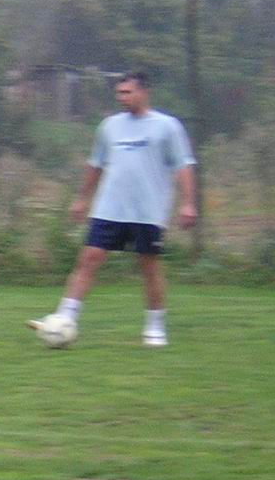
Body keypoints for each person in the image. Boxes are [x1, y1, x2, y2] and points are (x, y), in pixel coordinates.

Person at [32, 71, 196, 346]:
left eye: (127, 92)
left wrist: (189, 203)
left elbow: (183, 165)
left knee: (149, 266)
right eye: (119, 93)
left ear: (144, 92)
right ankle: (65, 318)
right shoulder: (110, 126)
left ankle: (155, 327)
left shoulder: (167, 126)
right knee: (89, 259)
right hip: (109, 208)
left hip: (147, 211)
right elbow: (96, 165)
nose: (122, 98)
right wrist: (82, 199)